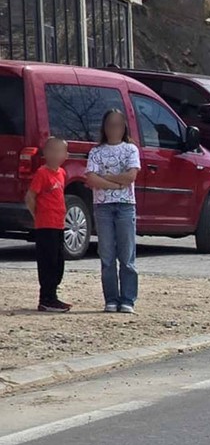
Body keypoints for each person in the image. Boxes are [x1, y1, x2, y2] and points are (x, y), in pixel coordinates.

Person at [85, 109, 141, 313]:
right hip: (103, 206)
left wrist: (107, 178)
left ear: (124, 127)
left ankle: (128, 299)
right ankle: (111, 298)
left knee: (127, 255)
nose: (114, 128)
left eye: (118, 124)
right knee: (107, 255)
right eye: (110, 124)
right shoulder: (96, 152)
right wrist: (116, 183)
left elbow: (130, 177)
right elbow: (91, 179)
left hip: (125, 205)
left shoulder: (130, 150)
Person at [25, 136, 71, 312]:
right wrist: (38, 215)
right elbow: (30, 196)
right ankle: (46, 298)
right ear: (45, 153)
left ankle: (53, 296)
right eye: (52, 150)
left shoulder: (61, 173)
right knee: (48, 262)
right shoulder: (42, 173)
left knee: (58, 262)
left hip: (59, 224)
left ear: (66, 155)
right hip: (45, 225)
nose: (56, 155)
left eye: (60, 151)